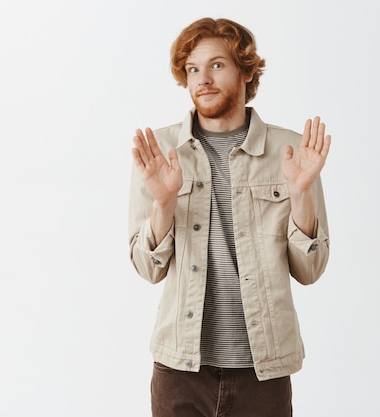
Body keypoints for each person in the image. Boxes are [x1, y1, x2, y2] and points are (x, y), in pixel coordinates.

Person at [128, 17, 330, 417]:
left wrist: (301, 192)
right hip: (180, 369)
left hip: (263, 371)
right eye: (192, 69)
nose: (203, 79)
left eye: (217, 65)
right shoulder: (161, 152)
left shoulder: (291, 152)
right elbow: (146, 268)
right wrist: (163, 203)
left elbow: (310, 270)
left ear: (245, 70)